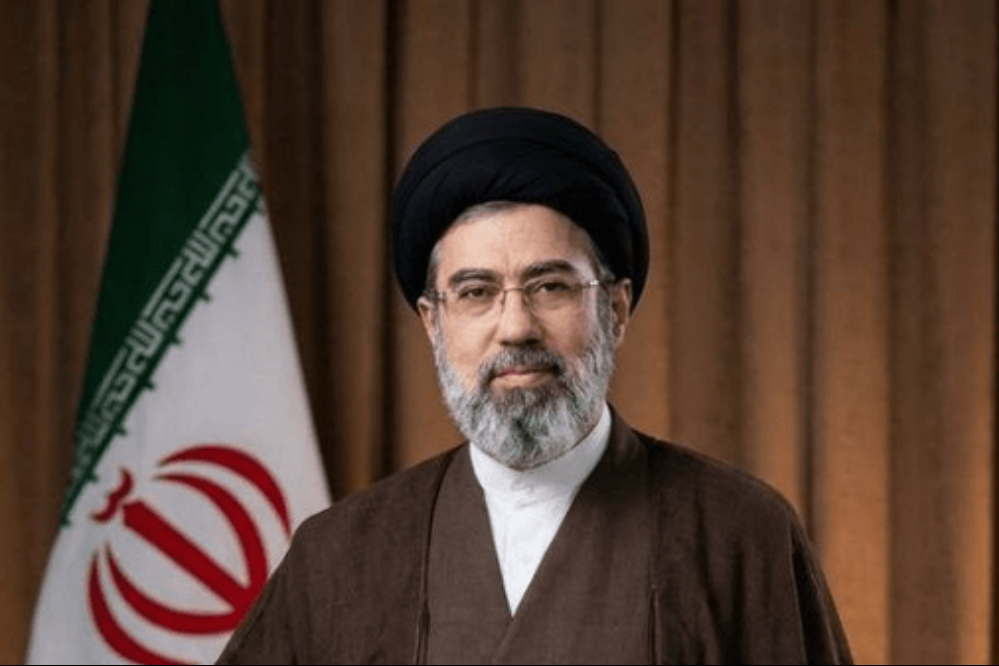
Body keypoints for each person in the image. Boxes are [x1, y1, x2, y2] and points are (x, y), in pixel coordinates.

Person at [215, 106, 853, 665]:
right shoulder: (339, 555)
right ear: (433, 321)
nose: (516, 326)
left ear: (616, 309)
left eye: (551, 287)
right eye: (476, 292)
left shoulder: (740, 535)